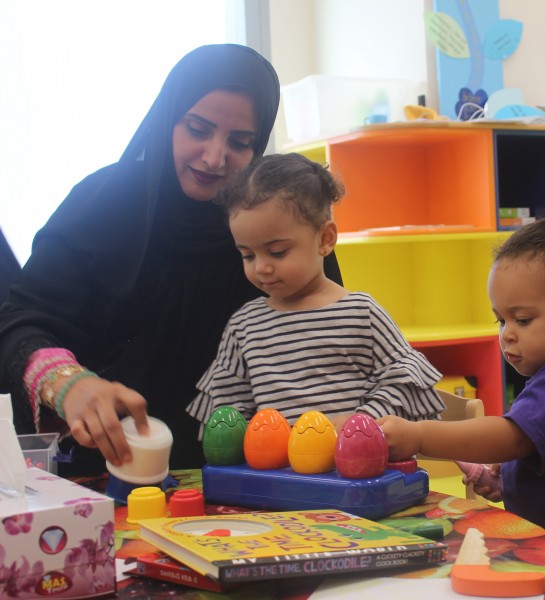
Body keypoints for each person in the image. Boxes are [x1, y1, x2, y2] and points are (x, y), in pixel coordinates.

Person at [0, 44, 341, 475]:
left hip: (262, 483)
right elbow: (18, 324)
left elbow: (330, 335)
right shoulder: (101, 206)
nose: (214, 157)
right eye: (198, 129)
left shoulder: (279, 225)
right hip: (102, 478)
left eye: (240, 142)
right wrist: (69, 384)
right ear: (168, 121)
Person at [379, 215, 545, 552]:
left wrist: (418, 435)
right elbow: (544, 454)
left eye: (523, 320)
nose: (507, 334)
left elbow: (511, 439)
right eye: (501, 320)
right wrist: (508, 478)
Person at [187, 153, 445, 430]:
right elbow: (227, 406)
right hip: (278, 473)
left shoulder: (361, 313)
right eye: (247, 255)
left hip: (354, 468)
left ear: (325, 239)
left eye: (277, 252)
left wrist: (361, 422)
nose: (261, 267)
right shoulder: (245, 325)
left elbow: (403, 381)